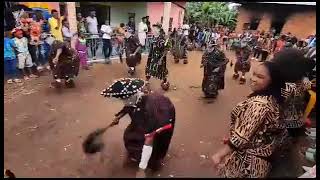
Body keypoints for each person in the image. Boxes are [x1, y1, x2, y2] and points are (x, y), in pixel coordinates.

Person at [211, 50, 310, 178]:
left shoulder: (259, 104)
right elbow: (266, 130)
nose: (253, 79)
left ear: (273, 81)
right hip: (264, 159)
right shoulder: (277, 96)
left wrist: (220, 154)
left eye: (260, 77)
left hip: (246, 163)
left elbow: (243, 135)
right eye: (254, 74)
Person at [100, 78, 175, 178]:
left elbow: (149, 140)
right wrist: (119, 116)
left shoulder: (151, 109)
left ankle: (154, 161)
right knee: (131, 134)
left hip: (161, 119)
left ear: (132, 96)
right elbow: (129, 106)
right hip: (145, 114)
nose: (123, 101)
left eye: (124, 99)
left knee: (156, 143)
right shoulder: (135, 98)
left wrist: (141, 169)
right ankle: (140, 154)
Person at [145, 23, 170, 91]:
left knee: (161, 71)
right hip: (152, 57)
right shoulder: (153, 38)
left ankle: (165, 81)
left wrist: (161, 59)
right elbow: (152, 47)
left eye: (155, 28)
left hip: (159, 57)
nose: (153, 30)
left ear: (159, 30)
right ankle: (146, 82)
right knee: (149, 69)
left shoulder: (163, 39)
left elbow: (166, 50)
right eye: (153, 28)